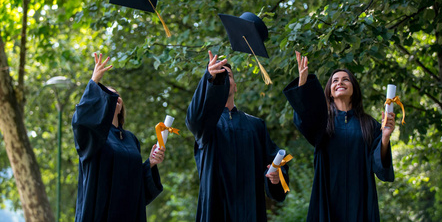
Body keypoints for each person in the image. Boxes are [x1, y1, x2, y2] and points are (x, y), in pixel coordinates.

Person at [283, 51, 395, 222]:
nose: (340, 82)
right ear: (329, 92)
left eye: (345, 79)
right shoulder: (322, 122)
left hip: (360, 198)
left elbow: (380, 167)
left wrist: (385, 137)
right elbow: (304, 119)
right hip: (328, 196)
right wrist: (303, 82)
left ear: (354, 89)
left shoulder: (369, 124)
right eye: (335, 80)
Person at [185, 50, 289, 222]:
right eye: (219, 75)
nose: (225, 79)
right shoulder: (206, 124)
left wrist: (276, 177)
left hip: (250, 209)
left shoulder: (255, 125)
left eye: (229, 76)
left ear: (235, 85)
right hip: (215, 207)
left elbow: (275, 163)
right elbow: (193, 117)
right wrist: (208, 77)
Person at [72, 53, 165, 222]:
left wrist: (150, 164)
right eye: (106, 94)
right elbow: (81, 123)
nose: (112, 97)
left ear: (121, 105)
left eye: (115, 95)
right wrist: (94, 81)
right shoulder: (95, 136)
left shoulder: (131, 139)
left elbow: (138, 188)